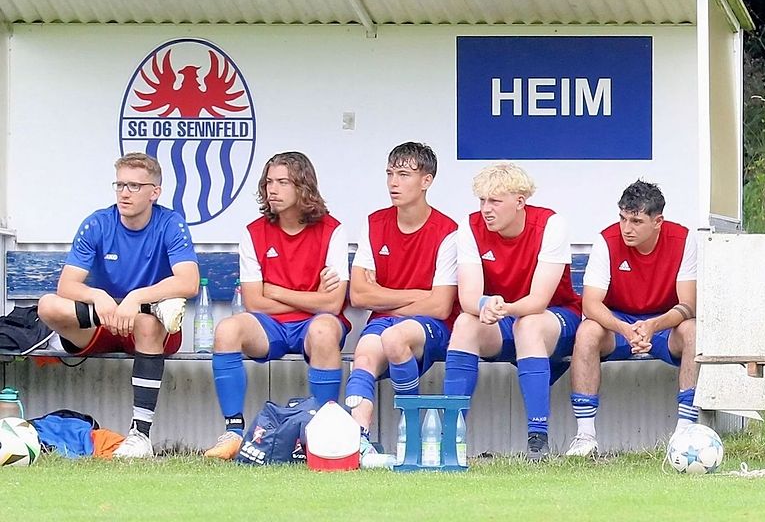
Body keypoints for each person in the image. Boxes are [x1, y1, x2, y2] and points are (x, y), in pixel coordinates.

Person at [37, 152, 199, 458]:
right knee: (48, 306)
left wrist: (137, 299)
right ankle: (113, 315)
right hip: (105, 321)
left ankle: (140, 436)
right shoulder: (97, 223)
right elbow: (66, 286)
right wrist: (100, 298)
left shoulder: (171, 223)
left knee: (148, 320)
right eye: (120, 184)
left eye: (135, 186)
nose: (125, 192)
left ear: (155, 192)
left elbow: (189, 282)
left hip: (152, 328)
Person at [203, 151, 349, 460]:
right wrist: (311, 298)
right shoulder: (253, 232)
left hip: (314, 325)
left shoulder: (332, 230)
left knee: (324, 329)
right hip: (271, 326)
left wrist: (278, 291)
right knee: (228, 329)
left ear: (303, 186)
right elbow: (254, 301)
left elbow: (333, 304)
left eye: (283, 182)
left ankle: (321, 433)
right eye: (269, 182)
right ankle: (233, 431)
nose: (273, 189)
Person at [442, 163, 581, 461]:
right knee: (466, 323)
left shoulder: (550, 224)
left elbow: (539, 301)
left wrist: (503, 307)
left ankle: (538, 440)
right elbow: (468, 296)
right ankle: (451, 437)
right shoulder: (469, 226)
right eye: (482, 200)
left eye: (495, 201)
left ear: (520, 202)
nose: (486, 209)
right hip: (503, 317)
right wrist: (484, 305)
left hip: (556, 319)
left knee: (528, 324)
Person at [343, 142, 458, 463]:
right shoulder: (375, 223)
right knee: (364, 354)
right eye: (390, 174)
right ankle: (357, 440)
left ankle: (411, 437)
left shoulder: (447, 231)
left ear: (427, 181)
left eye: (404, 175)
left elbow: (441, 307)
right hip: (385, 321)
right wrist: (416, 296)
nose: (394, 182)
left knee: (395, 339)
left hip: (431, 328)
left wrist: (385, 295)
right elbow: (359, 295)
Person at [564, 180, 698, 456]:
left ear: (658, 221)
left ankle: (686, 430)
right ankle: (585, 436)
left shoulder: (683, 239)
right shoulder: (607, 239)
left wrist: (653, 325)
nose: (627, 228)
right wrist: (625, 329)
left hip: (663, 324)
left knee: (693, 330)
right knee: (588, 331)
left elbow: (688, 305)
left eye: (636, 221)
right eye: (623, 218)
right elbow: (590, 304)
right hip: (619, 324)